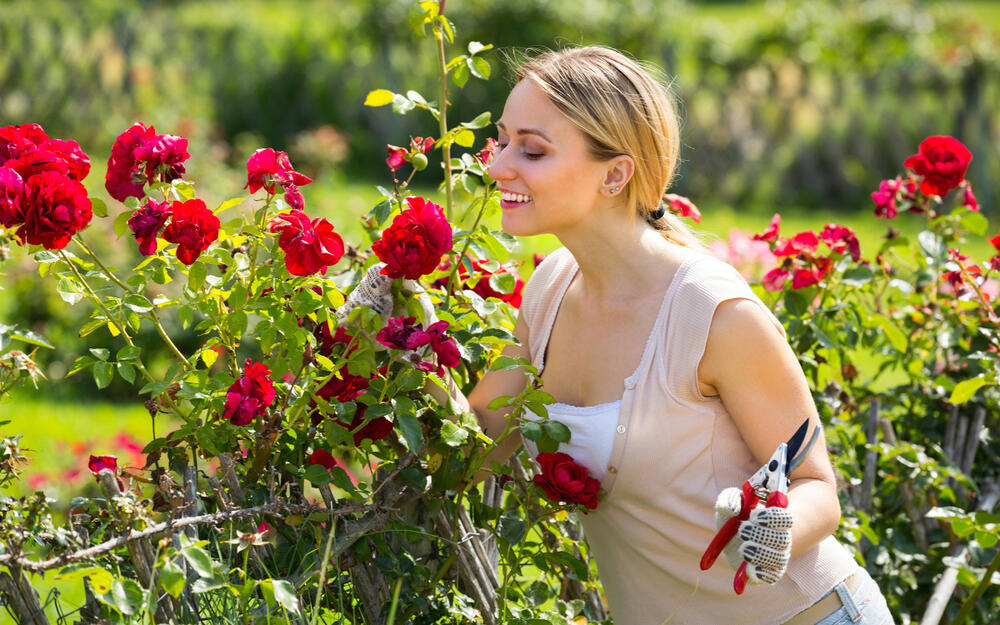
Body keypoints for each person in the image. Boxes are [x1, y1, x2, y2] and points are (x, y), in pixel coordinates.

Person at [348, 46, 896, 625]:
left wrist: (776, 525)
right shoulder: (551, 290)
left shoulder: (713, 314)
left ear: (615, 173)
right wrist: (410, 332)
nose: (499, 165)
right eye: (503, 141)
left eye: (532, 150)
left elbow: (815, 487)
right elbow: (476, 450)